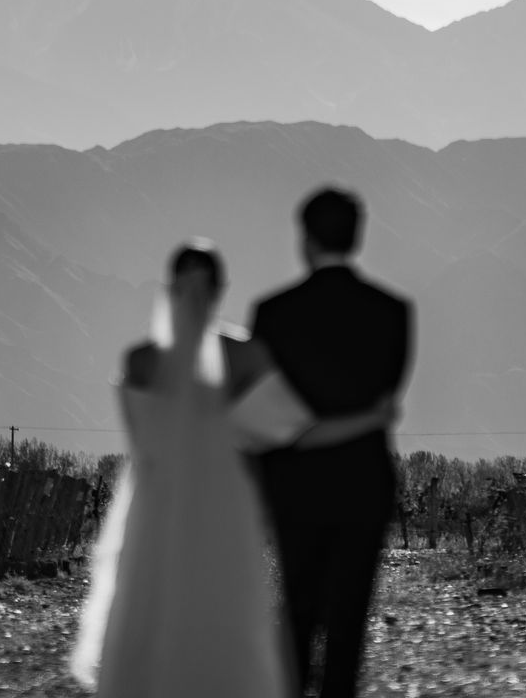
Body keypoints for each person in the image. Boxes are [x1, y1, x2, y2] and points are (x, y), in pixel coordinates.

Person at [68, 240, 397, 698]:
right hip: (223, 506)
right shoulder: (244, 358)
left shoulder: (139, 363)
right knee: (221, 614)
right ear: (221, 288)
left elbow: (142, 444)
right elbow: (298, 432)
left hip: (154, 508)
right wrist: (372, 417)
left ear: (169, 287)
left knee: (149, 609)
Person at [250, 187, 413, 698]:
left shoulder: (273, 314)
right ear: (358, 236)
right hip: (363, 482)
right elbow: (387, 399)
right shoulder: (393, 312)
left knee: (296, 610)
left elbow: (268, 409)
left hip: (295, 484)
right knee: (349, 621)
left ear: (305, 238)